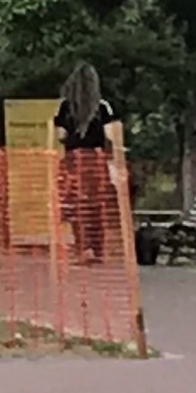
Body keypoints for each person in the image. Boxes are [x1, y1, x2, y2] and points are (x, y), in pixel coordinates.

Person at [55, 61, 119, 264]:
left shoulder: (65, 107)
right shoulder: (103, 106)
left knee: (77, 205)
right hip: (96, 161)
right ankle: (98, 249)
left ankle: (82, 247)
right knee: (97, 205)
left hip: (73, 161)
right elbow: (111, 135)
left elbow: (60, 135)